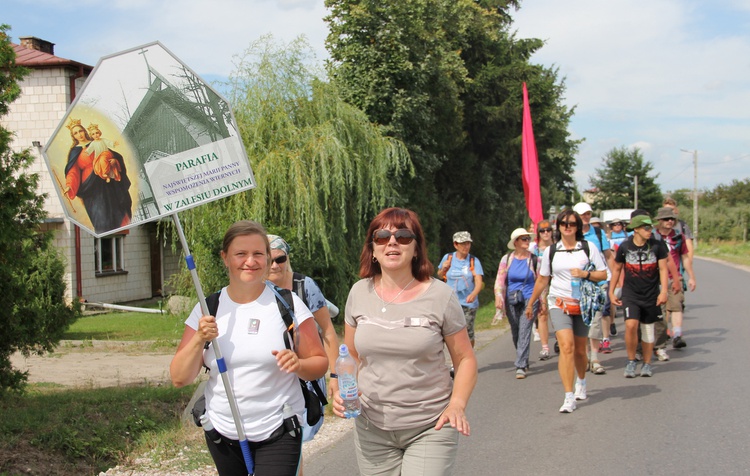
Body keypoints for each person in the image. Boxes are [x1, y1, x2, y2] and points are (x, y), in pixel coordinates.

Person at [170, 220, 328, 476]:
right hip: (222, 429)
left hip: (280, 427)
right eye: (240, 254)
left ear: (267, 258)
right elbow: (179, 377)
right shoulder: (207, 308)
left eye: (258, 254)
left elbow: (319, 363)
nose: (250, 261)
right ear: (225, 258)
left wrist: (299, 365)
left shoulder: (288, 304)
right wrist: (199, 338)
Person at [334, 207, 477, 475]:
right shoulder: (358, 293)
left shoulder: (441, 296)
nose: (392, 242)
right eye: (382, 237)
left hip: (430, 425)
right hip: (371, 428)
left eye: (403, 236)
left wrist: (457, 403)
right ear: (372, 249)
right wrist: (339, 388)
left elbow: (465, 358)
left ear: (416, 248)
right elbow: (351, 354)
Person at [526, 209, 608, 413]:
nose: (568, 227)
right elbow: (543, 279)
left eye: (572, 223)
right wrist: (531, 303)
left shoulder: (588, 248)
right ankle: (568, 396)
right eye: (564, 223)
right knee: (566, 347)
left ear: (578, 227)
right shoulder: (551, 252)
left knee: (580, 350)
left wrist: (585, 274)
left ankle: (581, 380)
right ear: (559, 227)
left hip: (582, 304)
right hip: (559, 303)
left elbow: (603, 274)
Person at [266, 234, 340, 448]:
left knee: (294, 441)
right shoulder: (255, 289)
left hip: (306, 375)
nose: (275, 265)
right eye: (269, 260)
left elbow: (327, 331)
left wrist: (334, 376)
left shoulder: (304, 286)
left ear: (287, 259)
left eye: (280, 259)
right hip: (273, 375)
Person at [609, 215, 669, 378]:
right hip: (631, 294)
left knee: (648, 329)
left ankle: (647, 363)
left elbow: (663, 269)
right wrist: (611, 291)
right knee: (631, 325)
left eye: (651, 228)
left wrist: (664, 291)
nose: (650, 231)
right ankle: (631, 360)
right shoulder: (625, 247)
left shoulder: (658, 246)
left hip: (651, 294)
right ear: (636, 229)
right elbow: (616, 269)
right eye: (646, 228)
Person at [63, 118, 132, 234]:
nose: (79, 134)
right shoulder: (75, 151)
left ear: (84, 131)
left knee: (115, 208)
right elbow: (73, 172)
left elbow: (111, 155)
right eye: (75, 133)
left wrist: (115, 161)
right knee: (99, 213)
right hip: (91, 188)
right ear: (73, 136)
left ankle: (118, 231)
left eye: (80, 131)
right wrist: (69, 185)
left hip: (106, 182)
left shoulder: (97, 143)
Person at [494, 228, 541, 379]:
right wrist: (499, 297)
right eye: (524, 239)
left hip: (530, 298)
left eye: (528, 239)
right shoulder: (506, 259)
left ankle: (520, 365)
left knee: (524, 330)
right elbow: (500, 280)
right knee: (515, 331)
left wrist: (542, 301)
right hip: (512, 298)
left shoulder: (534, 260)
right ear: (516, 242)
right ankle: (523, 358)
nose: (527, 241)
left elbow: (541, 282)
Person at [573, 202, 613, 373]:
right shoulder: (570, 233)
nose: (585, 217)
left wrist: (614, 276)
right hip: (576, 284)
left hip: (597, 282)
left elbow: (608, 256)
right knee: (582, 321)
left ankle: (595, 358)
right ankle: (585, 356)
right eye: (582, 214)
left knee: (596, 319)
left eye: (588, 213)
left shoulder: (598, 233)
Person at [653, 207, 697, 352]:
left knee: (677, 304)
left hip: (674, 276)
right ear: (659, 221)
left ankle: (677, 334)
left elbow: (685, 257)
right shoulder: (652, 236)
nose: (670, 221)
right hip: (656, 279)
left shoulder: (678, 237)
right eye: (666, 219)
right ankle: (662, 336)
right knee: (661, 309)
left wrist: (691, 277)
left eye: (672, 219)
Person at [437, 231, 484, 348]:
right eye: (463, 244)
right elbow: (439, 275)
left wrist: (474, 294)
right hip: (450, 302)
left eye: (468, 243)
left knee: (468, 332)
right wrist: (443, 269)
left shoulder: (473, 261)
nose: (466, 247)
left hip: (468, 303)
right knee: (450, 332)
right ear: (456, 245)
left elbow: (479, 281)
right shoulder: (448, 258)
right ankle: (457, 359)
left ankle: (468, 356)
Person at [530, 220, 554, 360]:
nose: (546, 233)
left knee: (561, 312)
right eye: (542, 231)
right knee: (542, 314)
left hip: (557, 283)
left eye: (548, 230)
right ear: (538, 233)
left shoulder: (558, 247)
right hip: (541, 284)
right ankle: (545, 347)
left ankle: (560, 338)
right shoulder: (534, 250)